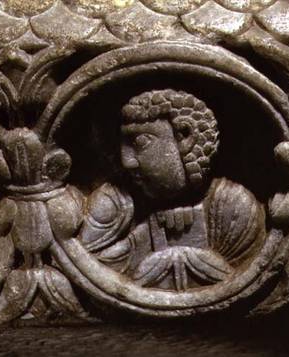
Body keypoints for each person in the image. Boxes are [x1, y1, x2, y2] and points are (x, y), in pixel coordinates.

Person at [81, 90, 264, 291]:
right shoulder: (115, 199)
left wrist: (182, 254)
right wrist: (148, 232)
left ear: (185, 137)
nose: (127, 161)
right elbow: (86, 265)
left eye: (141, 142)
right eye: (122, 144)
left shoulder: (233, 205)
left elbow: (241, 278)